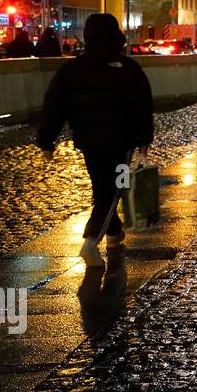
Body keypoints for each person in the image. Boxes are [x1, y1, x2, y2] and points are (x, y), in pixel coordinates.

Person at [37, 13, 154, 267]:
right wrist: (144, 138)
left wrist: (46, 140)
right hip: (122, 144)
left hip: (90, 143)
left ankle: (113, 234)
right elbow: (143, 106)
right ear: (116, 36)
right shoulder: (128, 68)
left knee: (103, 187)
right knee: (113, 191)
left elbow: (54, 106)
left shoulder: (71, 69)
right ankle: (90, 242)